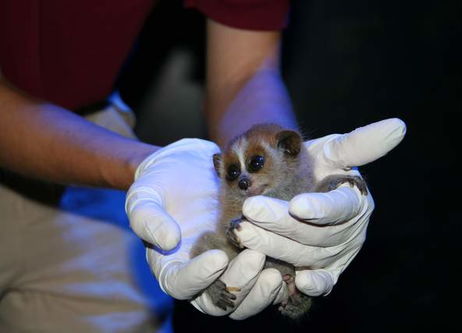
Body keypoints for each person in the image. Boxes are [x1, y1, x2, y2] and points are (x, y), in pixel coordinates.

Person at [0, 0, 406, 331]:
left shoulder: (258, 173)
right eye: (234, 173)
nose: (243, 179)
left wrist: (313, 180)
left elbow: (242, 74)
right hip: (93, 148)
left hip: (87, 128)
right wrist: (146, 165)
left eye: (255, 165)